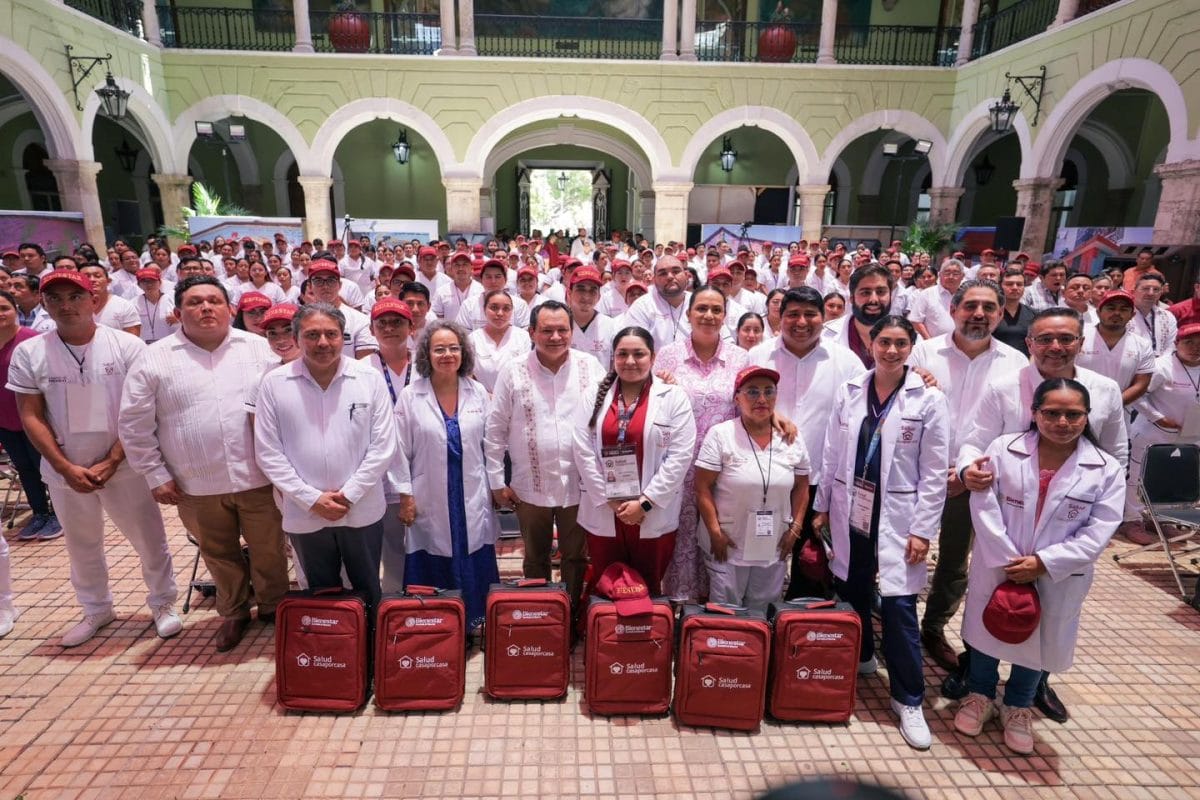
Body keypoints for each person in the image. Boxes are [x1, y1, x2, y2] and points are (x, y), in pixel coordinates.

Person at [957, 307, 1128, 724]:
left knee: (1045, 628)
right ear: (1029, 343)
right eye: (1045, 339)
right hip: (1006, 539)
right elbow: (975, 444)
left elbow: (1116, 457)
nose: (1056, 347)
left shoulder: (1105, 390)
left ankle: (1023, 700)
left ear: (1080, 342)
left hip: (1062, 541)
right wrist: (969, 471)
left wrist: (1046, 562)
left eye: (1066, 338)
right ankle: (978, 692)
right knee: (990, 619)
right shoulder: (1003, 388)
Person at [8, 269, 178, 647]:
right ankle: (96, 609)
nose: (66, 306)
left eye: (75, 296)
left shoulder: (127, 347)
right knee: (82, 546)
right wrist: (64, 466)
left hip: (125, 466)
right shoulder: (31, 351)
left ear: (93, 299)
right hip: (66, 470)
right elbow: (30, 415)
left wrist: (113, 459)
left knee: (150, 540)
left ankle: (163, 604)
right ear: (43, 303)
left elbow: (144, 410)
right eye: (56, 299)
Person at [120, 275, 291, 652]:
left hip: (259, 476)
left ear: (230, 309)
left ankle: (275, 607)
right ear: (178, 312)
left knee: (269, 548)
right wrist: (155, 474)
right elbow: (133, 424)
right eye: (195, 302)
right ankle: (233, 613)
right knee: (218, 552)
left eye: (214, 300)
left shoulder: (259, 349)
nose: (206, 308)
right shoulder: (154, 357)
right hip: (194, 482)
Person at [814, 315, 949, 749]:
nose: (891, 351)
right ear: (871, 344)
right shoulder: (851, 388)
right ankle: (864, 657)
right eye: (884, 342)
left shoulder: (928, 397)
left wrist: (923, 530)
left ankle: (909, 698)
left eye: (900, 343)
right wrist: (821, 508)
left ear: (912, 347)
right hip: (850, 506)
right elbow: (832, 449)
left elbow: (933, 472)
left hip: (899, 515)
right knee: (851, 588)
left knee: (899, 607)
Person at [908, 280, 1028, 672]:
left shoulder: (1016, 364)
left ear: (999, 313)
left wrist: (967, 472)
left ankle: (934, 626)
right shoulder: (922, 352)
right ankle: (899, 621)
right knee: (902, 551)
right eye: (970, 306)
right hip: (915, 478)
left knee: (955, 563)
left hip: (976, 481)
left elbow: (1016, 432)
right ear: (954, 309)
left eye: (988, 307)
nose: (979, 314)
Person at [254, 303, 397, 613]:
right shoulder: (275, 383)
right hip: (306, 511)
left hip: (361, 508)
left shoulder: (367, 378)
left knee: (367, 585)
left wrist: (350, 494)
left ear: (342, 337)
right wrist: (311, 498)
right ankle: (332, 652)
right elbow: (268, 452)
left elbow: (383, 444)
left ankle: (369, 646)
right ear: (296, 337)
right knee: (320, 590)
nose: (322, 342)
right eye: (312, 334)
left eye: (331, 334)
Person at [485, 302, 605, 614]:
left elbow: (607, 420)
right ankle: (541, 618)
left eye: (562, 330)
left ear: (571, 332)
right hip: (529, 486)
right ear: (532, 332)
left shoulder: (590, 367)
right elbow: (495, 429)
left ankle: (573, 617)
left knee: (576, 557)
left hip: (579, 485)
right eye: (547, 330)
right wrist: (497, 481)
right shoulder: (513, 370)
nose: (555, 336)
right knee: (534, 557)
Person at [749, 287, 865, 598]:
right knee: (762, 551)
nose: (801, 322)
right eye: (793, 314)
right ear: (779, 317)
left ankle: (798, 626)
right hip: (766, 474)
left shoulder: (847, 362)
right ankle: (759, 618)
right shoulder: (758, 355)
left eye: (810, 314)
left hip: (819, 479)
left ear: (825, 317)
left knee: (810, 561)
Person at [574, 327, 697, 594]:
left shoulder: (673, 397)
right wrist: (611, 499)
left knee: (648, 586)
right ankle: (605, 633)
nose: (630, 361)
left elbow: (680, 456)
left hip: (651, 512)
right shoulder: (592, 395)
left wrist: (645, 503)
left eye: (639, 354)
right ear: (613, 358)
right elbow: (583, 450)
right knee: (605, 584)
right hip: (606, 509)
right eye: (623, 354)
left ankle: (645, 635)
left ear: (652, 357)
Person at [394, 321, 500, 629]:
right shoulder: (411, 396)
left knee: (474, 550)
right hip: (429, 494)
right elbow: (399, 451)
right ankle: (438, 625)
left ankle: (475, 621)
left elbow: (491, 444)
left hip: (471, 492)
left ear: (463, 352)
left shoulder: (477, 391)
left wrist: (495, 486)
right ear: (427, 354)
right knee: (432, 552)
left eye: (454, 348)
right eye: (439, 349)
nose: (447, 354)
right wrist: (405, 495)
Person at [651, 287, 750, 600]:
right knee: (679, 539)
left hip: (724, 468)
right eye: (702, 309)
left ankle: (717, 611)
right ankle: (680, 609)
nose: (709, 316)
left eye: (716, 310)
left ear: (725, 316)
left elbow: (749, 406)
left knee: (720, 535)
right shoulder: (668, 356)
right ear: (689, 314)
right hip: (677, 466)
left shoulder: (740, 358)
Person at [694, 366, 810, 609]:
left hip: (773, 544)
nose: (761, 399)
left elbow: (801, 486)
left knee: (763, 611)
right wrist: (715, 532)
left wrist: (795, 529)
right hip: (728, 544)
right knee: (727, 613)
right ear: (737, 398)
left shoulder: (790, 437)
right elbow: (702, 487)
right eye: (752, 392)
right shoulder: (721, 435)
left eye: (769, 392)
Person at [1120, 324, 1200, 544]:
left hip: (1191, 436)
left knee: (1173, 479)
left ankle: (1161, 519)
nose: (1195, 348)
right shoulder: (1161, 367)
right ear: (1176, 344)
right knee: (1138, 477)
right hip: (1154, 433)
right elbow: (1136, 395)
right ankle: (1132, 519)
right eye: (1189, 342)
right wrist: (1158, 417)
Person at [0, 289, 59, 540]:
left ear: (15, 310)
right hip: (5, 422)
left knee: (44, 466)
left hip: (35, 419)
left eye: (4, 308)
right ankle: (39, 514)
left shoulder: (34, 340)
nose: (0, 314)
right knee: (25, 469)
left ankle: (58, 514)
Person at [368, 297, 416, 593]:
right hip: (381, 473)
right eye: (381, 323)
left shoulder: (427, 363)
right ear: (372, 330)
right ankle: (393, 603)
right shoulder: (361, 368)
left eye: (397, 322)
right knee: (390, 543)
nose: (389, 328)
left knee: (424, 540)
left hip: (423, 466)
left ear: (411, 326)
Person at [1076, 289, 1154, 421]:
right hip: (1076, 410)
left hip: (1118, 415)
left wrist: (1112, 405)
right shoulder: (1078, 337)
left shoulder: (1143, 345)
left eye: (1124, 309)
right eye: (1111, 308)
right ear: (1098, 312)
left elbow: (1141, 385)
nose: (1117, 313)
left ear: (1132, 315)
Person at [823, 265, 892, 368]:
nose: (873, 300)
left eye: (881, 292)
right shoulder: (824, 336)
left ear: (891, 296)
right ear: (851, 298)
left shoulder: (914, 340)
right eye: (865, 293)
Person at [467, 289, 531, 394]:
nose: (500, 313)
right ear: (484, 310)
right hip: (481, 399)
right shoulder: (473, 339)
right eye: (494, 308)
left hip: (514, 399)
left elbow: (525, 373)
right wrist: (487, 396)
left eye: (506, 309)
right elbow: (468, 375)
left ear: (512, 311)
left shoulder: (522, 337)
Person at [623, 255, 691, 349]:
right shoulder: (642, 307)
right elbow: (635, 349)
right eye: (663, 273)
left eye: (676, 271)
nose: (670, 277)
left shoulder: (700, 303)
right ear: (654, 280)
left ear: (686, 275)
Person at [567, 266, 618, 367]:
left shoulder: (611, 326)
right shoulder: (558, 325)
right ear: (569, 293)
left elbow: (615, 365)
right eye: (581, 289)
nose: (586, 296)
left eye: (592, 290)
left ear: (599, 296)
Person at [909, 259, 965, 340]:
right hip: (932, 344)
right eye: (947, 273)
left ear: (962, 276)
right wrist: (929, 341)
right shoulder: (927, 294)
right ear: (940, 275)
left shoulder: (966, 295)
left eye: (955, 273)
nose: (951, 277)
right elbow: (916, 320)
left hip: (960, 345)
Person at [81, 263, 141, 337]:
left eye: (97, 276)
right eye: (86, 277)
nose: (92, 280)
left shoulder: (124, 306)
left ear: (108, 281)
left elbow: (133, 342)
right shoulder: (72, 308)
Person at [1129, 271, 1176, 357]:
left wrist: (1159, 365)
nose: (1151, 293)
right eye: (1145, 288)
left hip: (1159, 366)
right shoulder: (1124, 314)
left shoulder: (1168, 317)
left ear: (1160, 293)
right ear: (1133, 291)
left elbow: (1171, 347)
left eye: (1156, 289)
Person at [993, 267, 1037, 356]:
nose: (1015, 287)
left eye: (1019, 284)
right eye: (1009, 284)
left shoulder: (1034, 315)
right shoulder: (991, 312)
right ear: (1000, 286)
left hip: (1024, 365)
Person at [134, 268, 178, 344]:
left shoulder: (173, 299)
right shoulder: (133, 303)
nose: (149, 284)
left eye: (153, 281)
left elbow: (188, 319)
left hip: (170, 344)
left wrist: (179, 319)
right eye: (144, 281)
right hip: (144, 346)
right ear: (139, 285)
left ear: (160, 282)